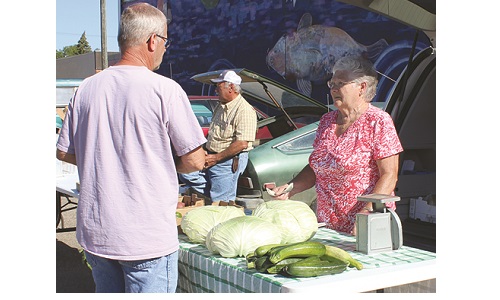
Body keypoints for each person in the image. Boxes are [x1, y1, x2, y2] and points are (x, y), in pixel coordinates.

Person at [56, 3, 206, 293]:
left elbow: (63, 151)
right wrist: (158, 164)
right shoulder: (165, 90)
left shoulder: (85, 88)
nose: (165, 48)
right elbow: (195, 160)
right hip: (144, 237)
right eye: (165, 41)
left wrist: (99, 160)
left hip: (96, 233)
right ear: (153, 41)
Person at [271, 56, 403, 235]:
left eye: (340, 83)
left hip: (366, 225)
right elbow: (316, 167)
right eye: (331, 84)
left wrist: (367, 212)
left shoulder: (378, 121)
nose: (333, 89)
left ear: (362, 87)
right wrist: (290, 188)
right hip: (328, 225)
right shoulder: (327, 121)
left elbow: (389, 175)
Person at [179, 70, 257, 202]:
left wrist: (216, 158)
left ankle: (220, 203)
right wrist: (204, 150)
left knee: (221, 201)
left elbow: (242, 143)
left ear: (231, 87)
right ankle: (215, 195)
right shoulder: (221, 106)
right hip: (212, 156)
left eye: (218, 87)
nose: (215, 90)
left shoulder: (244, 110)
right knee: (187, 173)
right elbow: (213, 133)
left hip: (227, 161)